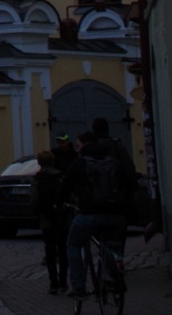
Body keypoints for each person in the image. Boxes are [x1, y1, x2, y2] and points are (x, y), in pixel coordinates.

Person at [58, 118, 138, 298]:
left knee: (73, 243)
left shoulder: (81, 163)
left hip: (90, 215)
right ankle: (114, 276)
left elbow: (65, 186)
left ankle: (78, 287)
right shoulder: (114, 161)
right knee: (110, 246)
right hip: (117, 216)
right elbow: (132, 182)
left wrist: (59, 203)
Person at [33, 150, 67, 294]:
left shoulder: (37, 178)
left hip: (46, 219)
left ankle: (53, 283)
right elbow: (68, 195)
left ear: (39, 162)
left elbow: (34, 199)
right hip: (61, 217)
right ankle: (64, 282)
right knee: (64, 250)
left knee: (50, 252)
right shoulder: (61, 176)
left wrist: (37, 213)